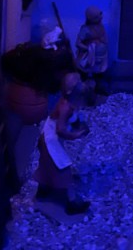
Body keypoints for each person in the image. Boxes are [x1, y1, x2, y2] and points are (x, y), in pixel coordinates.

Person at [34, 72, 91, 214]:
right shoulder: (65, 107)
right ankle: (72, 204)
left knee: (47, 165)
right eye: (78, 82)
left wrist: (79, 123)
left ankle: (43, 190)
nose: (81, 82)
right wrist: (75, 135)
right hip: (51, 141)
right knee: (63, 169)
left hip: (50, 138)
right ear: (70, 91)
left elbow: (75, 116)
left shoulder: (73, 101)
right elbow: (60, 129)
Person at [75, 6, 109, 98]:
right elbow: (78, 43)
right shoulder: (85, 29)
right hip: (89, 58)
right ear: (91, 18)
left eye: (100, 15)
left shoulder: (101, 26)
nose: (101, 17)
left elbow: (104, 38)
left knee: (99, 75)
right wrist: (88, 49)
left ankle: (98, 91)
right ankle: (85, 93)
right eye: (97, 17)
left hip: (100, 59)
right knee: (85, 76)